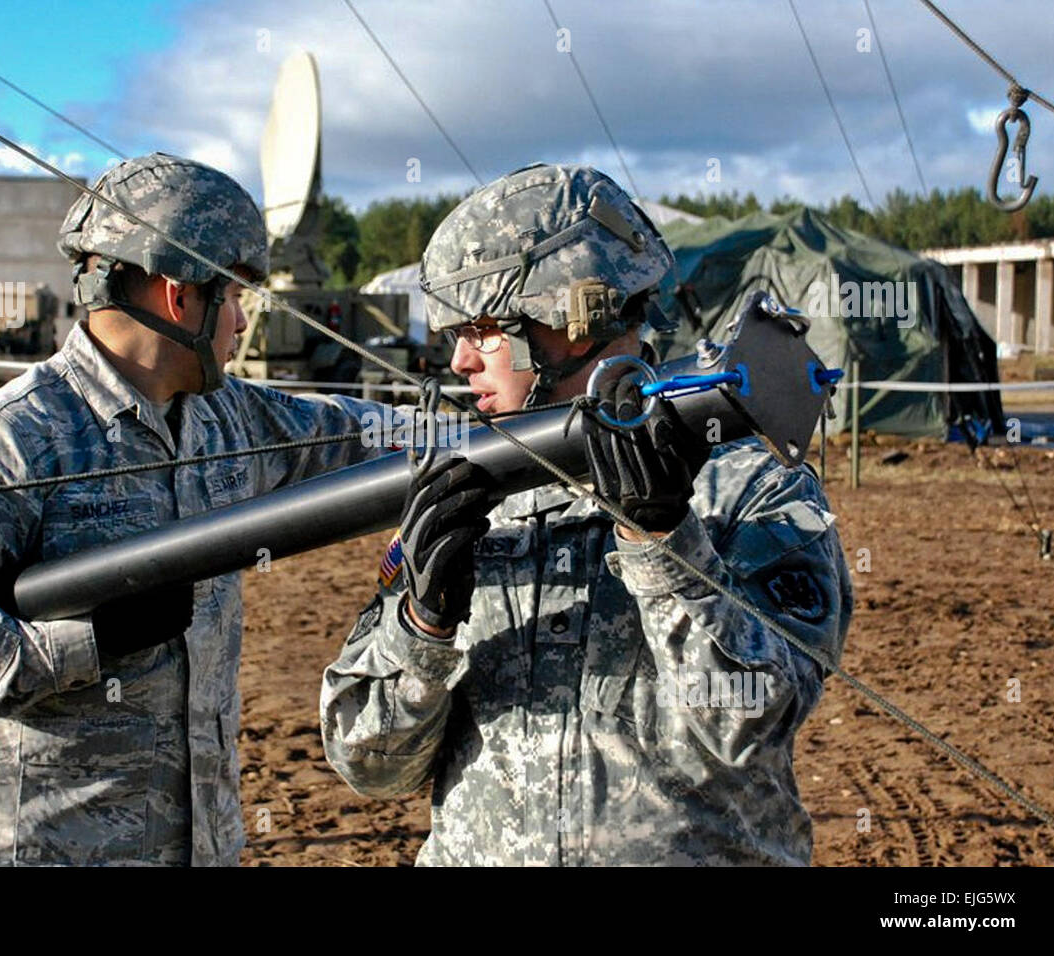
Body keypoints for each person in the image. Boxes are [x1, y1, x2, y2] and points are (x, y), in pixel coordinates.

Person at [0, 153, 396, 866]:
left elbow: (357, 436)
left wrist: (499, 426)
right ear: (179, 296)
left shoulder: (226, 419)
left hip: (192, 843)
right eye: (233, 296)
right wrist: (88, 643)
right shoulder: (12, 438)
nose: (241, 321)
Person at [320, 163, 853, 866]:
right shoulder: (468, 490)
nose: (458, 360)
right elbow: (370, 766)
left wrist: (664, 542)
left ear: (571, 320)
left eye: (481, 328)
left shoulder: (751, 487)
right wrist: (424, 622)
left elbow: (751, 721)